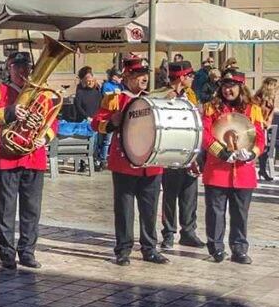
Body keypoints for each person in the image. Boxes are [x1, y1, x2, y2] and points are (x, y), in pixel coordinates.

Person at [92, 55, 170, 266]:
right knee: (124, 209)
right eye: (138, 75)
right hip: (124, 162)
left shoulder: (153, 99)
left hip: (150, 163)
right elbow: (96, 124)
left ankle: (149, 248)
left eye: (145, 75)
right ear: (127, 76)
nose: (144, 79)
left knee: (149, 208)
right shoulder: (114, 99)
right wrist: (110, 123)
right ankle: (123, 249)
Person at [0, 52, 54, 269]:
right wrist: (11, 112)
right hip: (7, 156)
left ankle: (27, 251)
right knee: (6, 207)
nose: (23, 71)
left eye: (26, 66)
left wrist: (44, 137)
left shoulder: (42, 94)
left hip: (33, 156)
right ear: (9, 68)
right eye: (18, 66)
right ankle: (6, 252)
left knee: (32, 208)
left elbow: (52, 121)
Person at [201, 69, 264, 265]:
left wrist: (252, 153)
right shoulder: (211, 108)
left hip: (243, 172)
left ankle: (239, 249)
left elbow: (260, 138)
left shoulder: (253, 109)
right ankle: (216, 248)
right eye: (225, 86)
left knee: (240, 213)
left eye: (232, 86)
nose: (228, 90)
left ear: (240, 87)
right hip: (218, 169)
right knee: (215, 212)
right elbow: (205, 135)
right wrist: (221, 152)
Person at [155, 61, 206, 250]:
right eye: (190, 76)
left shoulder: (191, 95)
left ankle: (188, 232)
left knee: (189, 194)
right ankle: (168, 233)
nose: (193, 79)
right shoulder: (162, 95)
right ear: (182, 77)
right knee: (170, 195)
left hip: (189, 150)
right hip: (170, 150)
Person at [73, 66, 104, 171]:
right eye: (88, 81)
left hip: (95, 121)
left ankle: (94, 161)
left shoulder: (98, 94)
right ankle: (82, 163)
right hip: (83, 121)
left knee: (95, 143)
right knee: (83, 142)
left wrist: (97, 118)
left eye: (92, 81)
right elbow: (78, 106)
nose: (90, 82)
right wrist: (86, 117)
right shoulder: (80, 93)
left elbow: (101, 107)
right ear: (85, 81)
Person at [252, 77, 278, 181]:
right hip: (256, 125)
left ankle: (262, 170)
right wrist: (262, 122)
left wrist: (269, 122)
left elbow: (271, 111)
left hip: (265, 127)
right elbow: (254, 111)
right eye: (275, 87)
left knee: (265, 149)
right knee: (255, 148)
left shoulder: (271, 98)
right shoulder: (258, 98)